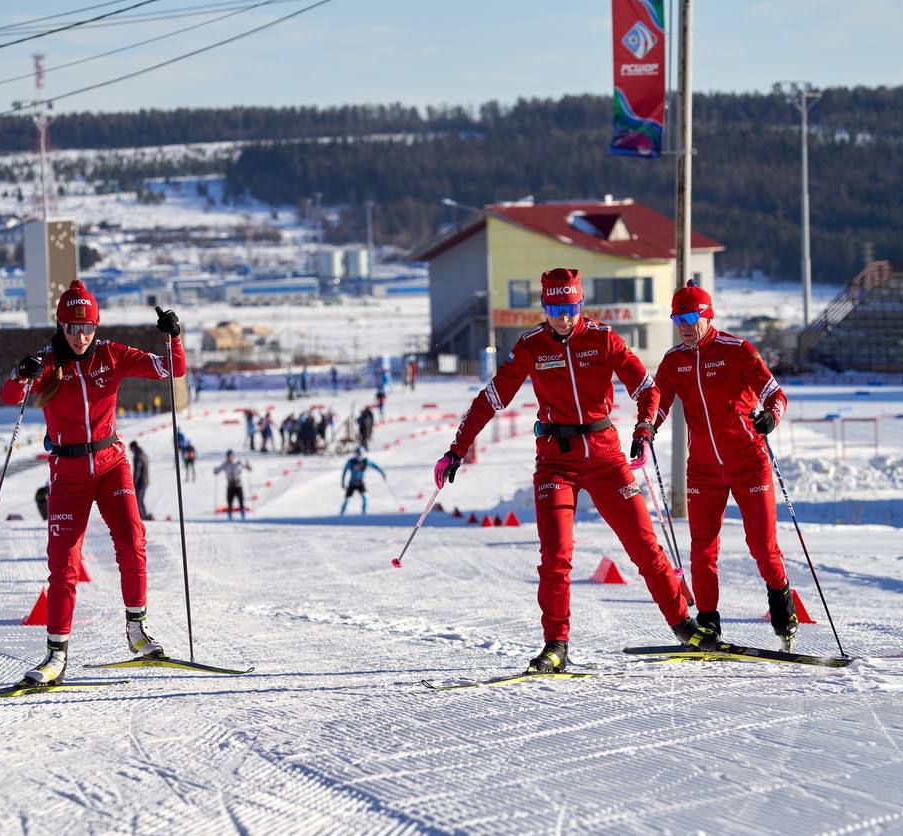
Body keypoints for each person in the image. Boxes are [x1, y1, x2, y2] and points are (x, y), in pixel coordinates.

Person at [433, 268, 708, 675]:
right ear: (544, 308)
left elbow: (646, 387)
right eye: (556, 309)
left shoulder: (602, 338)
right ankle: (556, 644)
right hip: (555, 463)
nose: (565, 317)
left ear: (582, 304)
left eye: (572, 307)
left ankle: (685, 626)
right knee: (556, 556)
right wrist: (456, 449)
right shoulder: (530, 345)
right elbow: (491, 398)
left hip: (605, 458)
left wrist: (644, 427)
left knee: (644, 546)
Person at [1, 278, 185, 686]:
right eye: (72, 327)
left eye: (87, 327)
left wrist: (174, 337)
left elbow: (173, 368)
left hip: (110, 464)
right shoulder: (48, 360)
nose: (81, 335)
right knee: (63, 565)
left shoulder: (110, 355)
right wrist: (21, 374)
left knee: (131, 540)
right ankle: (55, 657)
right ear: (61, 325)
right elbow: (8, 395)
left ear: (96, 326)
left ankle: (137, 633)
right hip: (68, 474)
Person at [647, 281, 799, 647]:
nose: (683, 325)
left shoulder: (736, 350)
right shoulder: (673, 361)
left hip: (749, 464)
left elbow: (775, 394)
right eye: (676, 318)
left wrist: (770, 418)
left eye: (689, 317)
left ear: (706, 315)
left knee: (763, 547)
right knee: (702, 549)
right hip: (703, 469)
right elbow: (658, 402)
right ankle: (709, 622)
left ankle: (781, 600)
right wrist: (646, 427)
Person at [341, 447, 385, 515]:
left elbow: (375, 466)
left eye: (360, 453)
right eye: (357, 453)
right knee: (347, 499)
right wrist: (343, 482)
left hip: (360, 483)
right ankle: (342, 514)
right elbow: (345, 471)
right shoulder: (351, 461)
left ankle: (364, 513)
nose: (359, 455)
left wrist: (382, 473)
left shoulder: (366, 461)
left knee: (365, 497)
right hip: (352, 483)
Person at [214, 450, 252, 519]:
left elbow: (248, 468)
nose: (230, 458)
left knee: (241, 502)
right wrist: (216, 470)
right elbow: (218, 470)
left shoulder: (238, 463)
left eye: (231, 456)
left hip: (238, 486)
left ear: (233, 456)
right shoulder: (225, 464)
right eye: (228, 456)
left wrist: (248, 466)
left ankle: (243, 516)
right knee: (229, 502)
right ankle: (230, 517)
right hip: (230, 486)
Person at [129, 441, 151, 520]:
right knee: (140, 499)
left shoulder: (138, 456)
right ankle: (143, 515)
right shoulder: (143, 454)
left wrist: (134, 482)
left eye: (130, 448)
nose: (130, 450)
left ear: (133, 447)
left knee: (138, 499)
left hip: (141, 481)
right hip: (145, 480)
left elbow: (137, 470)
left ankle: (142, 517)